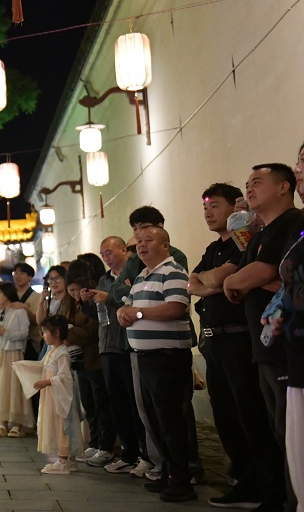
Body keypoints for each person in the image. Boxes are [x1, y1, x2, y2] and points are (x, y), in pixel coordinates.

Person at [188, 183, 285, 510]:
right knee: (225, 415)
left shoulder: (245, 243)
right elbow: (192, 283)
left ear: (235, 208)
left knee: (251, 414)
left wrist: (214, 281)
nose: (208, 212)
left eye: (214, 205)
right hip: (213, 341)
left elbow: (219, 279)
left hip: (239, 339)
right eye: (205, 207)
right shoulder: (213, 248)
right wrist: (213, 282)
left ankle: (268, 486)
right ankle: (243, 481)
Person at [224, 163, 300, 511]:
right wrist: (236, 280)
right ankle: (282, 497)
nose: (249, 189)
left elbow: (263, 272)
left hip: (284, 344)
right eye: (247, 183)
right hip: (262, 344)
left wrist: (236, 281)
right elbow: (241, 276)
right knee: (276, 430)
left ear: (284, 187)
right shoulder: (259, 233)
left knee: (291, 433)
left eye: (257, 182)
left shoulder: (291, 223)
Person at [109, 205, 199, 485]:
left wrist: (137, 313)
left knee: (171, 418)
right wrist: (123, 313)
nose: (141, 244)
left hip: (168, 356)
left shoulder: (173, 271)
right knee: (154, 418)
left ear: (165, 245)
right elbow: (127, 303)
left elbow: (175, 308)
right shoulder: (142, 276)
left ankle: (181, 478)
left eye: (149, 240)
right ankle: (167, 471)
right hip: (145, 355)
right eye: (139, 240)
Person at [83, 235, 152, 477]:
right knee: (117, 403)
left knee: (135, 403)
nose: (106, 257)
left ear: (123, 250)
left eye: (109, 252)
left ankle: (145, 455)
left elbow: (133, 301)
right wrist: (86, 302)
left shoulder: (135, 274)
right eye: (103, 254)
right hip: (106, 347)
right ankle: (128, 453)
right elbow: (97, 313)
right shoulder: (104, 280)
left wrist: (109, 298)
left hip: (126, 345)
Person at [266, 141, 304, 511]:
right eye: (298, 162)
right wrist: (282, 311)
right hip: (296, 351)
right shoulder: (300, 227)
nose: (299, 170)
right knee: (296, 448)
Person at [63, 261, 114, 468]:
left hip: (95, 359)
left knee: (101, 404)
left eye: (77, 289)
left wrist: (67, 332)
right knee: (89, 405)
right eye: (71, 290)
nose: (75, 293)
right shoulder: (73, 304)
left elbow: (90, 332)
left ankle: (106, 445)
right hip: (81, 362)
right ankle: (94, 442)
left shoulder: (92, 303)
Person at [34, 315, 85, 474]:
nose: (43, 335)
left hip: (59, 398)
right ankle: (70, 460)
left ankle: (63, 460)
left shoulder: (62, 353)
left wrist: (47, 382)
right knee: (57, 425)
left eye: (45, 332)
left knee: (61, 425)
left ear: (56, 333)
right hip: (51, 396)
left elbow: (64, 377)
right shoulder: (52, 351)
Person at [0, 282, 33, 437]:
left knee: (13, 387)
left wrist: (4, 333)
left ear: (6, 294)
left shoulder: (19, 311)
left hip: (13, 353)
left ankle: (17, 423)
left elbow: (24, 333)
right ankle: (2, 422)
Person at [10, 262, 42, 360]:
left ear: (30, 277)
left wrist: (25, 309)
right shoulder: (9, 294)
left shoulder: (37, 296)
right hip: (11, 341)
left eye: (21, 273)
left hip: (30, 341)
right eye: (15, 273)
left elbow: (37, 321)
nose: (17, 276)